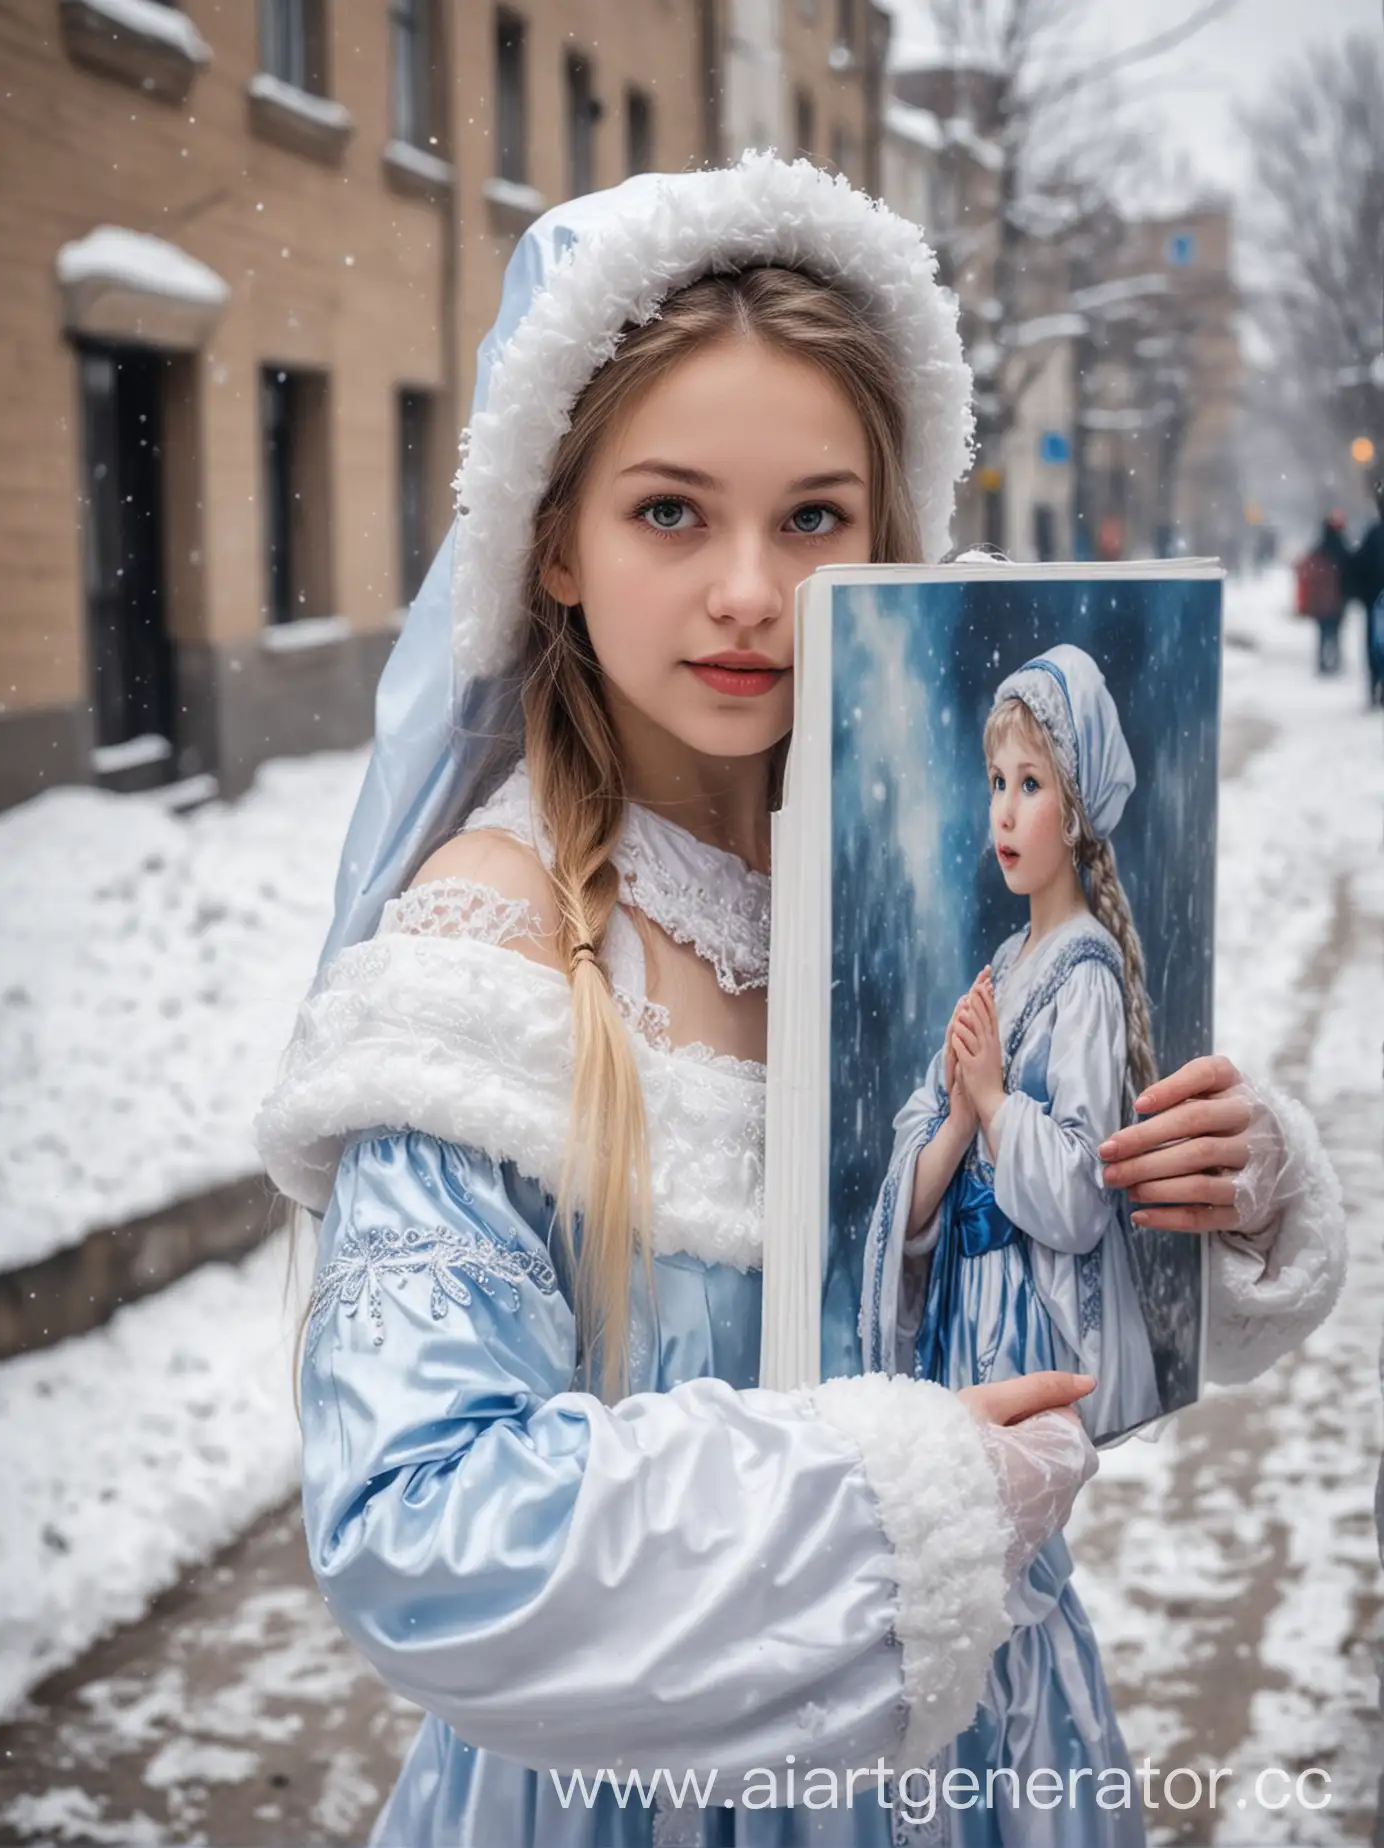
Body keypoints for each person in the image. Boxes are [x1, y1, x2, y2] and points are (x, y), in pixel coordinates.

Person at [255, 157, 1347, 1847]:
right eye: (670, 510)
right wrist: (890, 1510)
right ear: (551, 536)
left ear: (891, 531)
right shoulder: (492, 948)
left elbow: (1005, 1272)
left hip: (1001, 1756)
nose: (750, 589)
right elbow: (420, 1523)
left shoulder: (910, 890)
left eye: (814, 516)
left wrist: (1198, 1188)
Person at [859, 647, 1195, 1844]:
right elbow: (921, 1148)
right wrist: (958, 1123)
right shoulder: (1002, 970)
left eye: (1031, 785)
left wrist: (997, 1108)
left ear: (1080, 804)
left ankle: (1030, 1810)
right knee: (961, 1591)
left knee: (1009, 1600)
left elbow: (1078, 1195)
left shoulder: (1088, 981)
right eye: (994, 782)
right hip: (965, 1327)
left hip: (1029, 1338)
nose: (1004, 812)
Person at [1295, 513, 1352, 674]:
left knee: (1323, 632)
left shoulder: (1319, 549)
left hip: (1321, 602)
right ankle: (1335, 661)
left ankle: (1323, 662)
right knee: (1335, 631)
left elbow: (1306, 569)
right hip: (1338, 599)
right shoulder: (1341, 549)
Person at [1352, 479, 1384, 707]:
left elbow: (1358, 567)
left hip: (1375, 601)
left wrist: (1364, 596)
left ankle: (1375, 686)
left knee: (1376, 648)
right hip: (1374, 599)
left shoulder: (1372, 535)